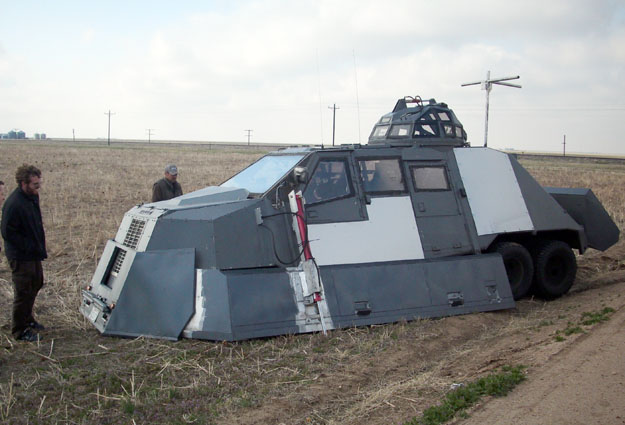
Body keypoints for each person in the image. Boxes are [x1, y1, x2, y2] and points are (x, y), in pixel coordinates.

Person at [1, 165, 47, 342]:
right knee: (23, 291)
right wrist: (28, 246)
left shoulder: (31, 197)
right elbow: (7, 232)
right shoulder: (14, 204)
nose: (38, 187)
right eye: (35, 184)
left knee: (36, 283)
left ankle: (28, 319)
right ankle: (19, 330)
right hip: (20, 256)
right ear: (23, 183)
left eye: (38, 183)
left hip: (33, 252)